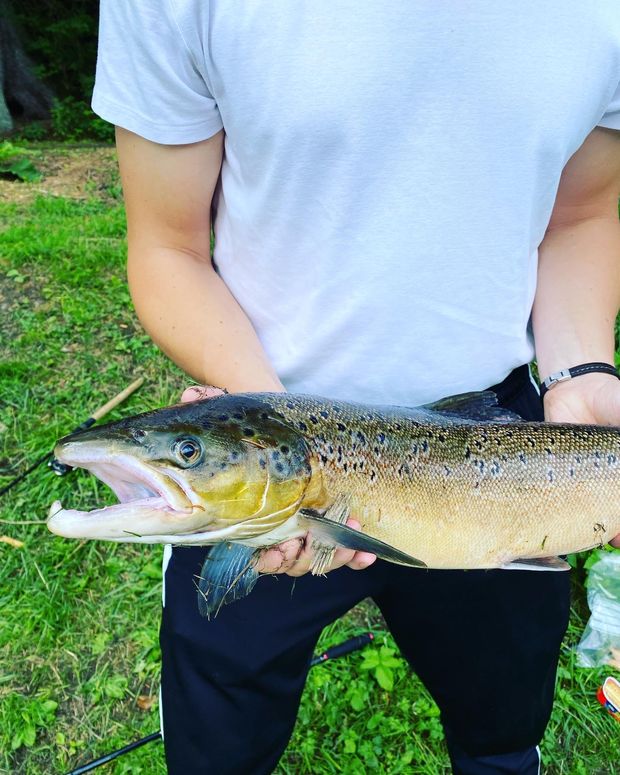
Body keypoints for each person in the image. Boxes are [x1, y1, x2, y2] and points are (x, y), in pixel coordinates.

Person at [91, 3, 620, 773]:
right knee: (216, 750)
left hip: (503, 446)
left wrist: (581, 372)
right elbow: (168, 246)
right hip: (262, 438)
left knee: (502, 734)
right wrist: (283, 438)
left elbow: (581, 215)